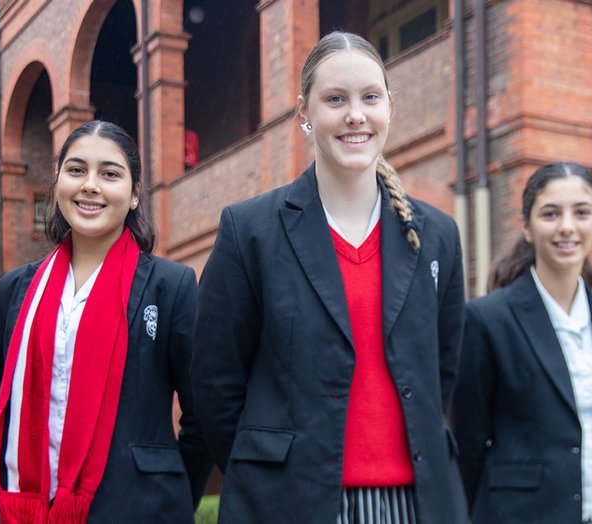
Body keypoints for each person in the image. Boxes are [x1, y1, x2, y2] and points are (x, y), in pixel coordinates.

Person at [192, 31, 469, 524]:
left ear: (389, 107)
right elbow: (215, 382)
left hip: (418, 503)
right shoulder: (250, 231)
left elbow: (441, 371)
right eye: (335, 99)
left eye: (370, 97)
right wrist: (268, 467)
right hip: (288, 502)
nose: (355, 115)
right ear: (304, 112)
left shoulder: (438, 236)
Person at [0, 120, 208, 523]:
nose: (90, 185)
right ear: (57, 185)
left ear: (135, 193)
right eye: (76, 170)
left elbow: (202, 416)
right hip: (25, 512)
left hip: (140, 510)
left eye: (109, 173)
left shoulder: (170, 287)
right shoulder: (16, 291)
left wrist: (169, 494)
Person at [451, 162, 592, 524]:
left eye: (582, 212)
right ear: (527, 226)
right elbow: (469, 446)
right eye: (551, 214)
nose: (567, 227)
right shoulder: (487, 320)